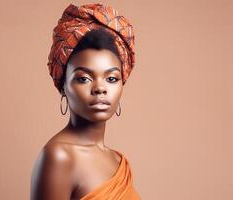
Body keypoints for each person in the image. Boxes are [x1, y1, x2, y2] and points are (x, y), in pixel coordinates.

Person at [31, 3, 141, 200]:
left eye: (112, 78)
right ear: (63, 86)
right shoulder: (59, 157)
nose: (100, 88)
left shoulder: (117, 160)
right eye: (84, 78)